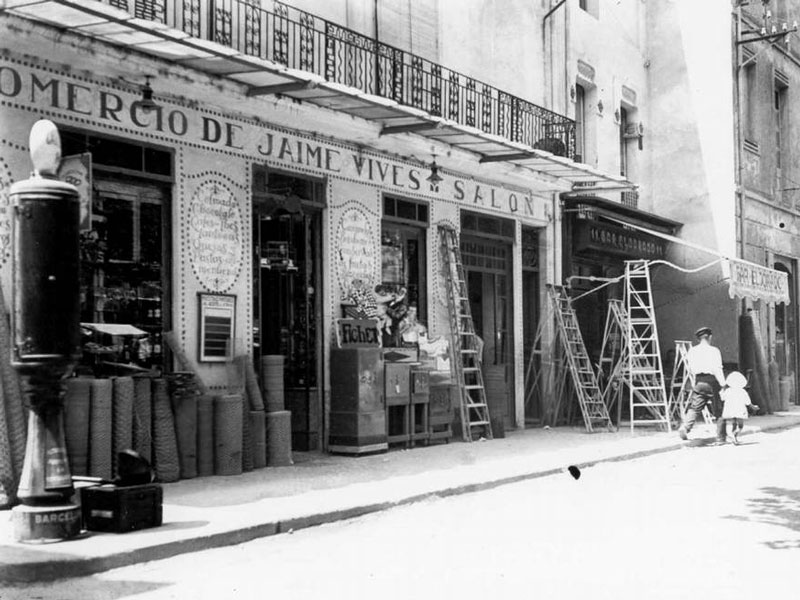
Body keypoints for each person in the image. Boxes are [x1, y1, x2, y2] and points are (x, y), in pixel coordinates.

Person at [683, 326, 727, 443]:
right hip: (712, 381)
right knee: (719, 409)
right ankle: (720, 438)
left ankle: (685, 427)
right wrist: (723, 384)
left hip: (699, 381)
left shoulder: (692, 351)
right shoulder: (714, 351)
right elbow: (717, 369)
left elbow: (691, 369)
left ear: (698, 339)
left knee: (695, 407)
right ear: (709, 337)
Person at [721, 371, 758, 445]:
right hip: (739, 410)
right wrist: (754, 407)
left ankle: (733, 436)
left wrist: (722, 391)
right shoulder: (742, 391)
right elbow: (748, 402)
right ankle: (734, 435)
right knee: (740, 425)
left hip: (730, 409)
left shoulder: (728, 391)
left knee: (733, 423)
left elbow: (723, 398)